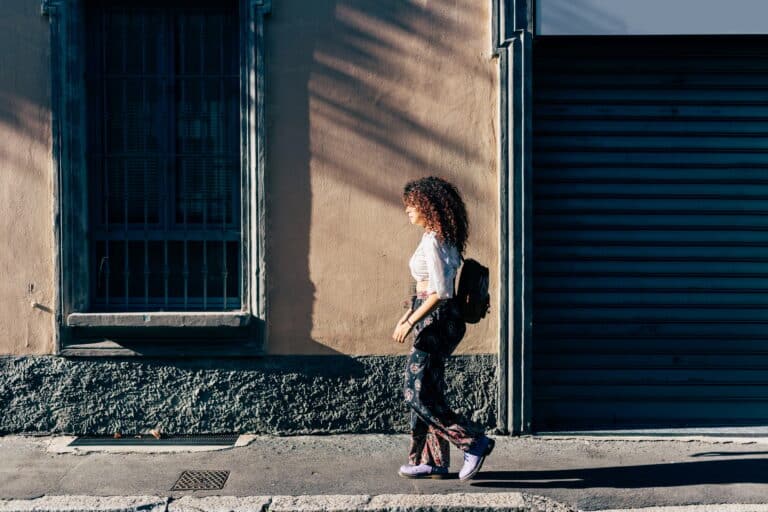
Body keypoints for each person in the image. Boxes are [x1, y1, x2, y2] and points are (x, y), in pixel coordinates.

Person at [392, 176, 494, 481]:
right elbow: (430, 290)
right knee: (430, 390)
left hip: (435, 321)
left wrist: (411, 322)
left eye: (412, 204)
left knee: (416, 393)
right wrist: (408, 315)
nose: (408, 210)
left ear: (427, 205)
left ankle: (472, 442)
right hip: (441, 320)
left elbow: (440, 291)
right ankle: (431, 461)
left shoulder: (434, 239)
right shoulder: (443, 237)